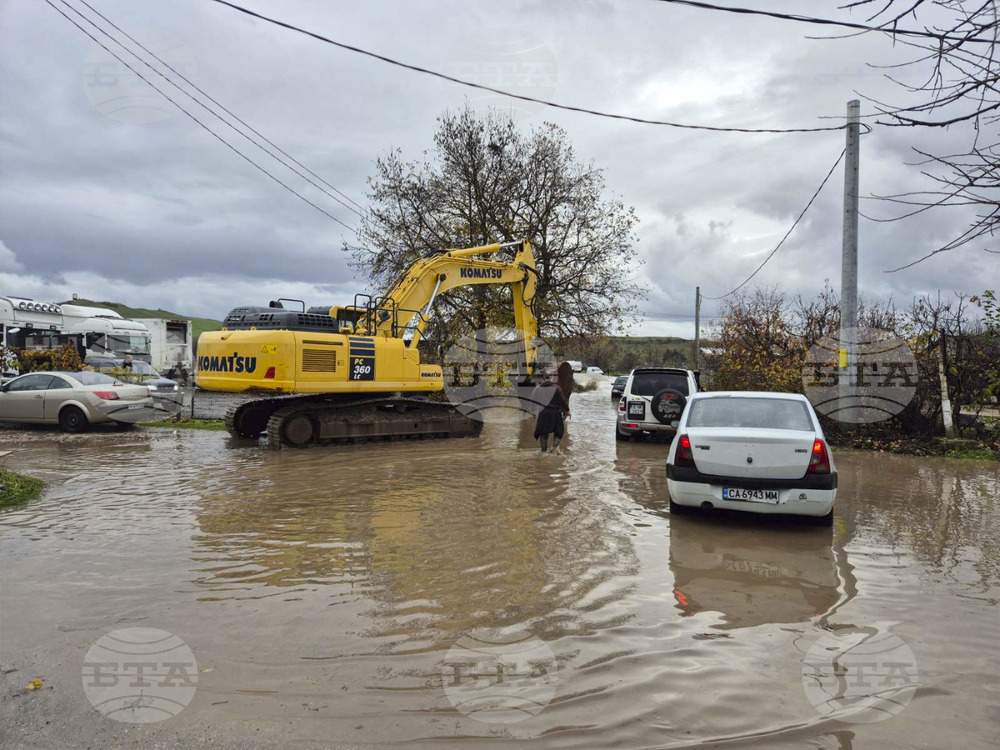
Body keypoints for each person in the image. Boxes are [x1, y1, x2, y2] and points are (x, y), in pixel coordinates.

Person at [532, 372, 571, 453]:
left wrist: (533, 411)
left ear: (543, 378)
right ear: (552, 378)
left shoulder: (538, 388)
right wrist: (567, 410)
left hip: (543, 413)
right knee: (559, 431)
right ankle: (554, 446)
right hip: (555, 414)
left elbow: (532, 400)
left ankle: (543, 453)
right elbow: (563, 401)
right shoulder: (557, 388)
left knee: (543, 433)